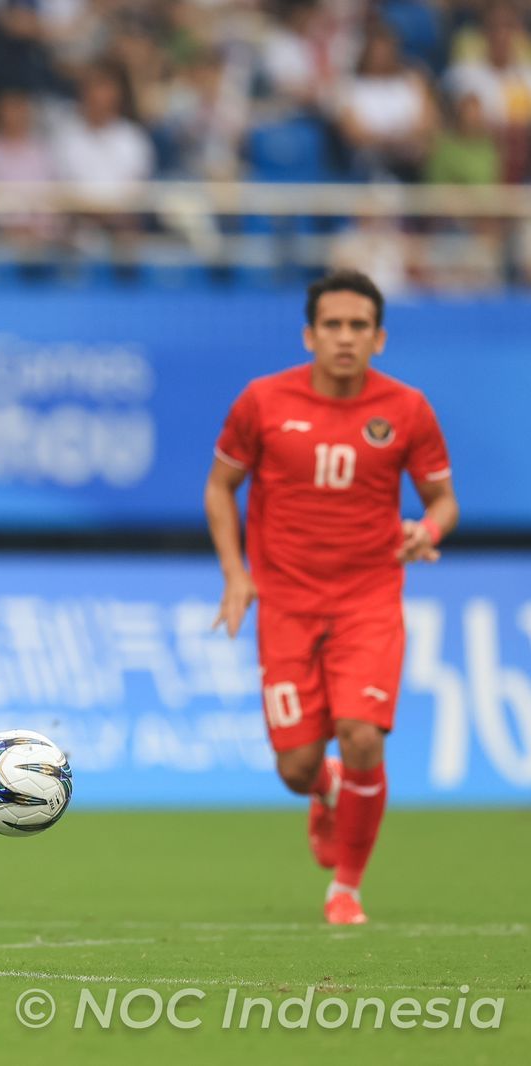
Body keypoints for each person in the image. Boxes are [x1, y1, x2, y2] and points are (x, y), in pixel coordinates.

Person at [205, 270, 458, 926]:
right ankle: (325, 789)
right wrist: (236, 574)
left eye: (357, 327)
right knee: (295, 767)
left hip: (368, 599)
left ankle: (345, 888)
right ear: (309, 334)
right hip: (286, 602)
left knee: (361, 735)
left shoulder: (406, 409)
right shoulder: (262, 401)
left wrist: (425, 530)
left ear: (377, 338)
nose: (344, 337)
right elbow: (218, 488)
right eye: (332, 326)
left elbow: (441, 500)